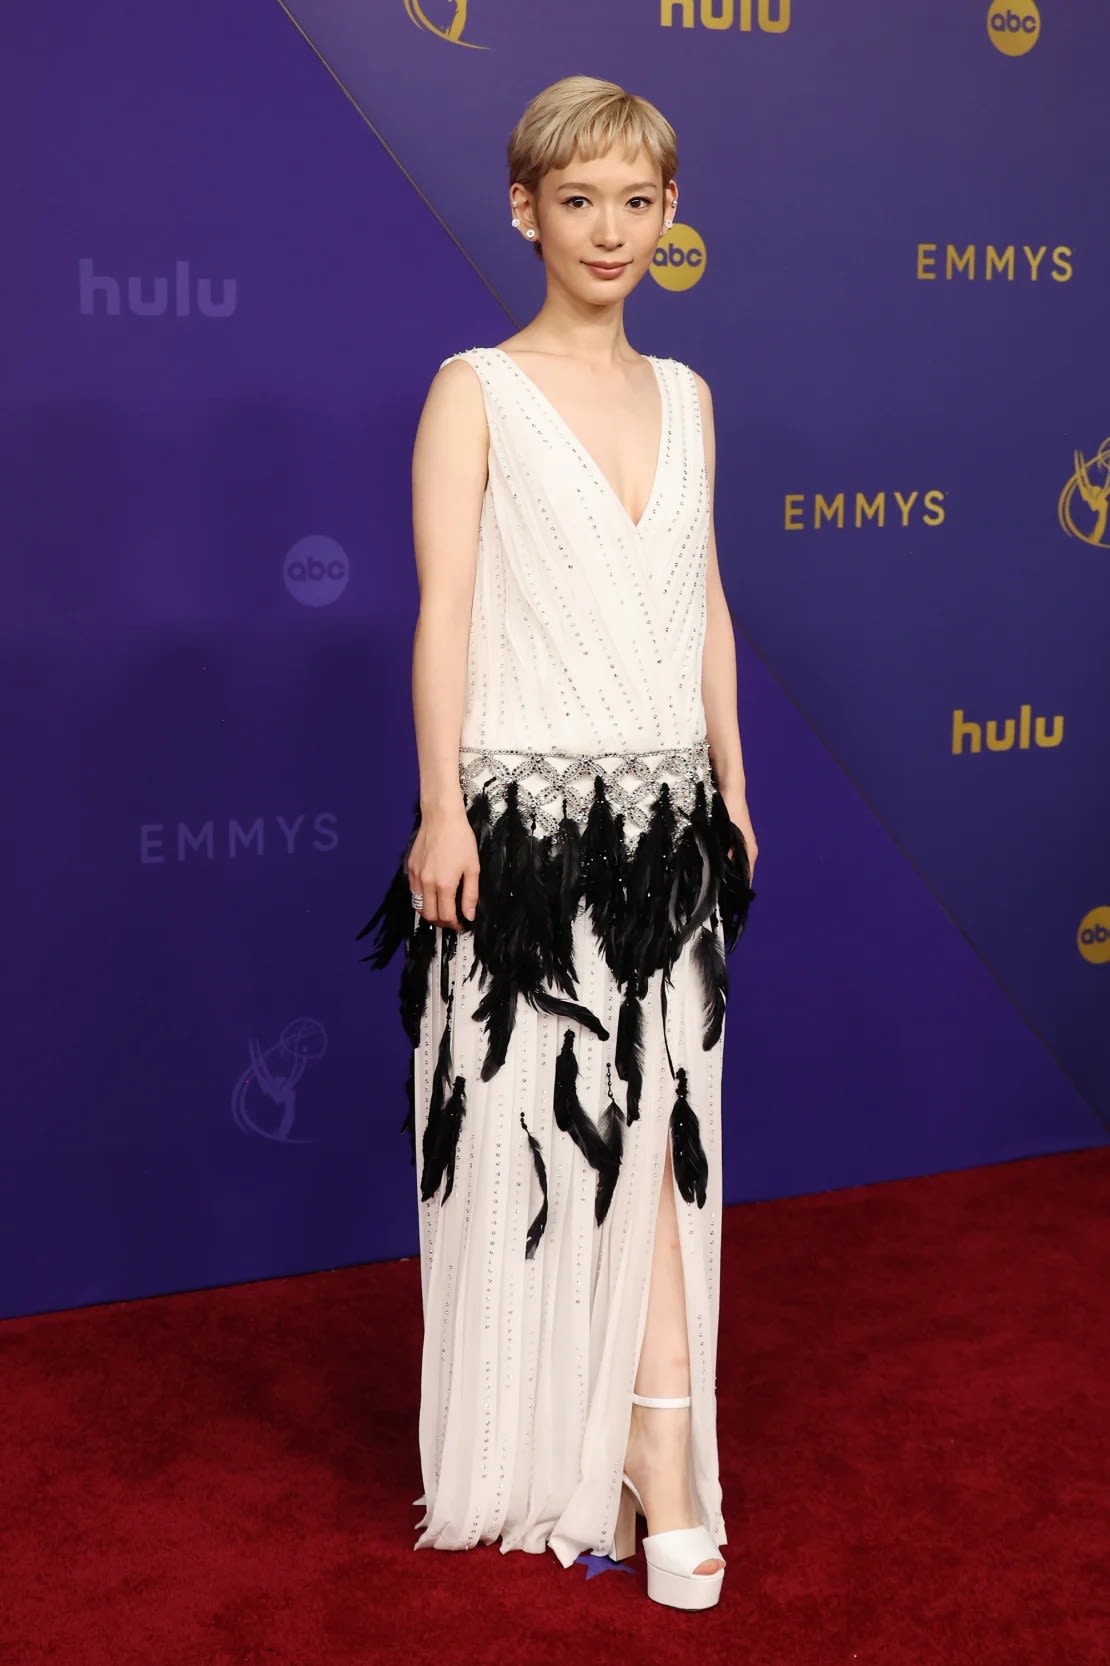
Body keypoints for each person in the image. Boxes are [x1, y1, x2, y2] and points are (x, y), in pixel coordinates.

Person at [360, 74, 757, 1611]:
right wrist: (444, 809)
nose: (611, 230)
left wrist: (733, 785)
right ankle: (639, 1452)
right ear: (524, 209)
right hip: (521, 835)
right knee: (548, 1148)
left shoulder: (693, 394)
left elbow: (702, 603)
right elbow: (442, 612)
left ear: (670, 214)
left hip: (666, 834)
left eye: (638, 201)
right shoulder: (474, 386)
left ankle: (648, 1436)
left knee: (659, 1137)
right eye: (578, 199)